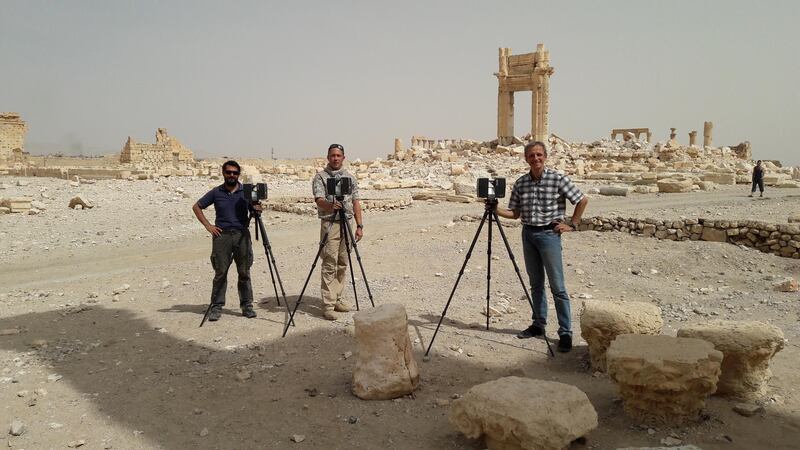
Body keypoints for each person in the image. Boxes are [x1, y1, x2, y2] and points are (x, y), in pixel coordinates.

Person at [494, 141, 588, 352]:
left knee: (558, 287)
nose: (535, 159)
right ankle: (538, 324)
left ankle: (565, 332)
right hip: (528, 234)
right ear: (526, 159)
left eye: (538, 155)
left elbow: (582, 200)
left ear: (545, 157)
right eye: (531, 156)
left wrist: (572, 224)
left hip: (549, 234)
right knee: (536, 284)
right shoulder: (521, 183)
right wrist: (496, 209)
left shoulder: (557, 179)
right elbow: (515, 213)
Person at [192, 160, 260, 322]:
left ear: (238, 174)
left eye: (235, 173)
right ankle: (216, 306)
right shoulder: (216, 192)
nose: (232, 175)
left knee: (244, 272)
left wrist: (257, 209)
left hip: (242, 234)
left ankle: (246, 305)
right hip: (221, 236)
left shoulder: (246, 192)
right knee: (220, 272)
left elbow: (254, 210)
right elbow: (197, 207)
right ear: (223, 173)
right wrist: (208, 226)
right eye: (228, 172)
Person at [312, 144, 364, 320]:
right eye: (332, 155)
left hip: (347, 222)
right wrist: (330, 205)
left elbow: (356, 201)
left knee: (343, 262)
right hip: (330, 223)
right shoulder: (320, 177)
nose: (335, 158)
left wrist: (359, 225)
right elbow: (318, 200)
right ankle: (327, 305)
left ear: (343, 157)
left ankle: (337, 299)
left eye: (338, 155)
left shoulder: (350, 178)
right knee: (329, 263)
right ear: (328, 157)